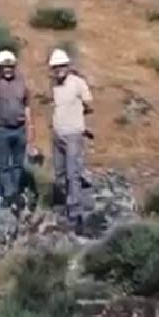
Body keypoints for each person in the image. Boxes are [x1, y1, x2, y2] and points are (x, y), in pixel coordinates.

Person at [47, 48, 93, 234]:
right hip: (58, 135)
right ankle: (64, 204)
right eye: (55, 67)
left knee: (72, 174)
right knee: (59, 173)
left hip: (73, 134)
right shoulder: (54, 86)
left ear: (67, 66)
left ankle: (75, 214)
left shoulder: (78, 83)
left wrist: (79, 120)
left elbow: (89, 103)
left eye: (61, 66)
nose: (59, 70)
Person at [0, 44, 33, 213]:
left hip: (19, 129)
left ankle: (16, 191)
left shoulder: (21, 83)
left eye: (10, 66)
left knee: (18, 164)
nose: (7, 70)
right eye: (4, 67)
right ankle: (9, 195)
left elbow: (27, 105)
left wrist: (30, 128)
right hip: (2, 130)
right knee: (4, 165)